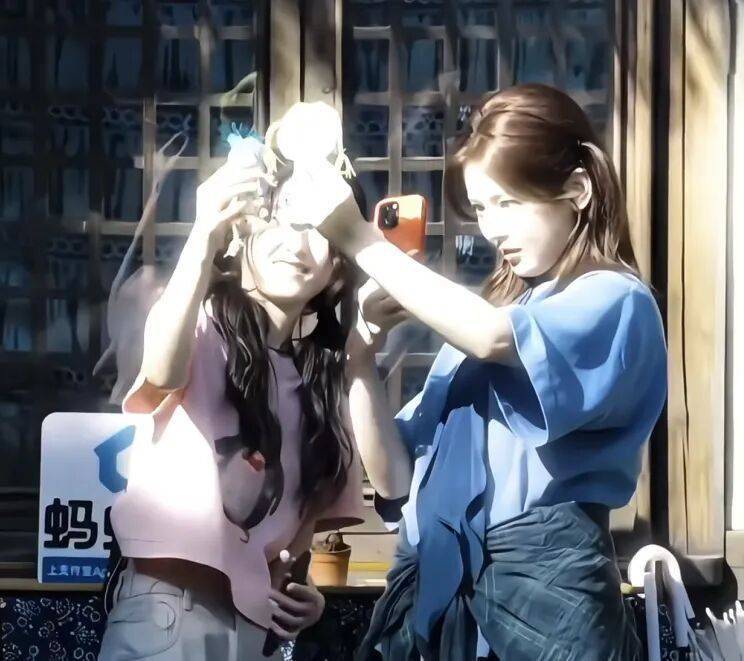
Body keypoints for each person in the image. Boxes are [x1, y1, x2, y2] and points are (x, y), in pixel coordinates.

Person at [313, 83, 668, 659]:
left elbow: (492, 336)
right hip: (439, 598)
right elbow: (396, 477)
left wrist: (360, 239)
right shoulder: (493, 320)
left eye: (509, 203)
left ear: (577, 190)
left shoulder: (614, 299)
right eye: (481, 208)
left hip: (545, 601)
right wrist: (359, 350)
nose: (491, 228)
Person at [97, 117, 367, 660]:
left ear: (338, 262)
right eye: (280, 219)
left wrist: (305, 596)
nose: (298, 243)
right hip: (169, 609)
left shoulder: (322, 376)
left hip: (254, 628)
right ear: (241, 234)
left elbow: (299, 532)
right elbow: (160, 373)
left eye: (318, 227)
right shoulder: (199, 320)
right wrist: (203, 235)